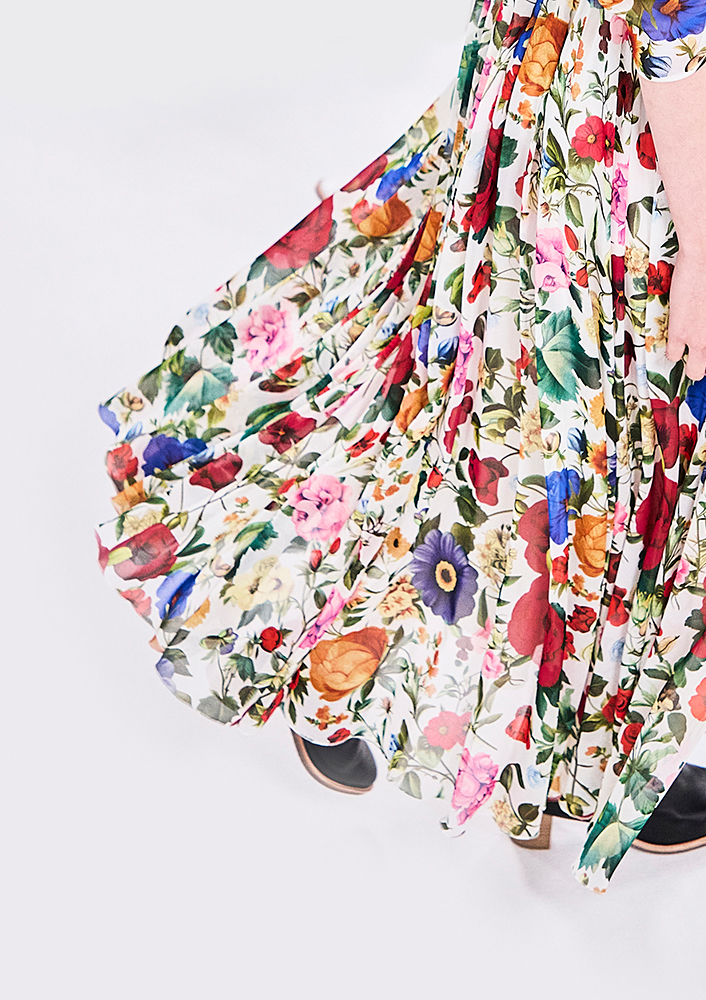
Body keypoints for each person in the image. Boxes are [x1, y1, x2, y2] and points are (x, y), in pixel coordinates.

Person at [96, 0, 706, 891]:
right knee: (579, 438)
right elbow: (675, 23)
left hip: (548, 92)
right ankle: (548, 742)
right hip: (614, 139)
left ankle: (366, 683)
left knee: (480, 410)